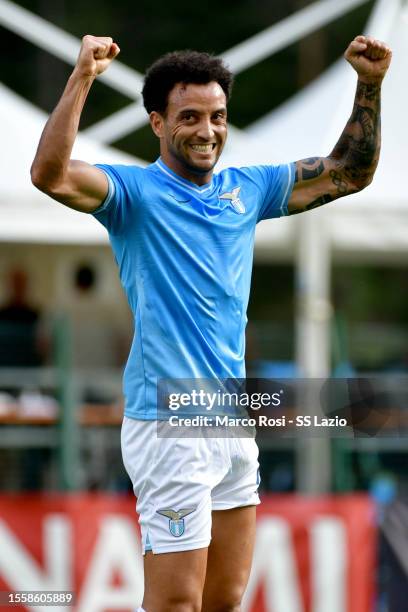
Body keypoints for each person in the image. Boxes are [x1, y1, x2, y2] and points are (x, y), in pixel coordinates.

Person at [31, 34, 391, 611]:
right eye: (190, 117)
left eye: (218, 116)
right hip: (167, 424)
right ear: (156, 123)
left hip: (231, 419)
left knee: (224, 599)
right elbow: (50, 175)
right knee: (177, 602)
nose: (207, 131)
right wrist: (82, 77)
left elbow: (350, 172)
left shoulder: (248, 189)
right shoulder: (133, 193)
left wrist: (369, 84)